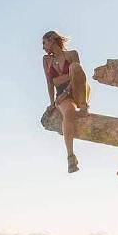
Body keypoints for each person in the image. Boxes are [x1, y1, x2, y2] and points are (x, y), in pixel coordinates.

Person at [42, 30, 91, 173]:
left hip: (77, 90)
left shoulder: (72, 54)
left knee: (75, 67)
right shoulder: (46, 60)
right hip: (62, 96)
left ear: (52, 40)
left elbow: (77, 76)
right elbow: (50, 82)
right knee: (68, 112)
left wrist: (66, 90)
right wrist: (52, 102)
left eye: (44, 43)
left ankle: (83, 107)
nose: (43, 47)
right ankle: (71, 156)